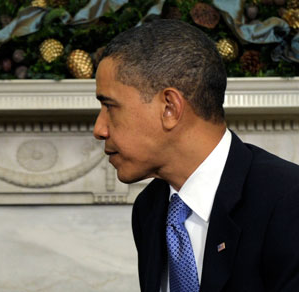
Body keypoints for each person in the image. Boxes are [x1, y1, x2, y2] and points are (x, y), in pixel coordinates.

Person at [93, 19, 299, 291]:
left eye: (110, 106)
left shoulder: (289, 201)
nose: (99, 129)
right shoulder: (149, 209)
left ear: (170, 108)